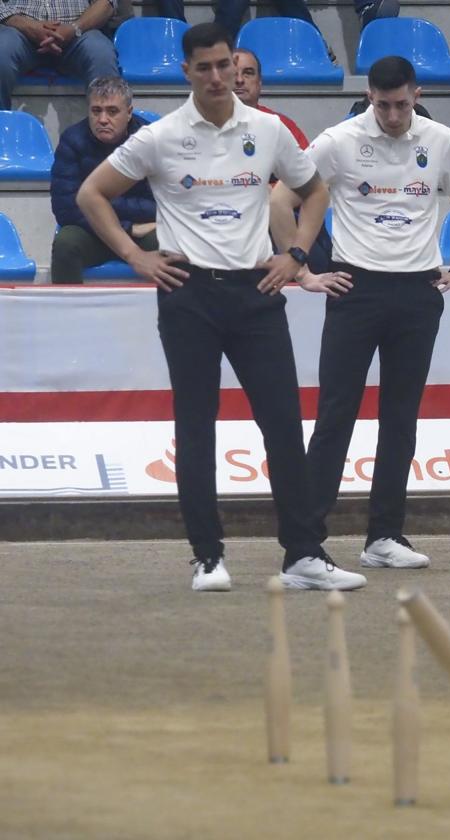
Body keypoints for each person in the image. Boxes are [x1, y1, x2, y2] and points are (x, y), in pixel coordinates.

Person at [76, 22, 365, 593]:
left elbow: (315, 192)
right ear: (186, 71)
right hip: (187, 295)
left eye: (224, 65)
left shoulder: (268, 129)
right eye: (203, 67)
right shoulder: (158, 136)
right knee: (196, 425)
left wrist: (297, 255)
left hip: (257, 293)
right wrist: (138, 257)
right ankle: (208, 556)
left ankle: (304, 554)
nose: (216, 76)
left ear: (237, 67)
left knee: (283, 424)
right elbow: (91, 194)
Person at [270, 56, 450, 571]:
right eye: (382, 104)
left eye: (401, 104)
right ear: (369, 96)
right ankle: (307, 543)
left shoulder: (439, 139)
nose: (391, 114)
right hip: (354, 288)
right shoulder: (338, 141)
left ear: (417, 93)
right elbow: (280, 200)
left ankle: (384, 535)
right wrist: (302, 271)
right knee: (335, 414)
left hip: (418, 291)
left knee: (401, 417)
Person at [232, 46, 331, 273]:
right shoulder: (203, 131)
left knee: (319, 261)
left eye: (248, 73)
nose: (239, 80)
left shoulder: (281, 126)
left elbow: (311, 182)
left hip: (282, 217)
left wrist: (274, 191)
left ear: (260, 83)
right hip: (230, 222)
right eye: (233, 74)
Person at [51, 76, 157, 284]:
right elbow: (66, 209)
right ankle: (65, 315)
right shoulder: (71, 141)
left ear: (129, 113)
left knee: (170, 243)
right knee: (66, 243)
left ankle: (169, 313)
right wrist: (127, 227)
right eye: (96, 111)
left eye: (112, 111)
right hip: (93, 232)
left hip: (142, 233)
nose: (102, 119)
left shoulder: (150, 140)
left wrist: (98, 204)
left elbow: (161, 203)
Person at [0, 0, 120, 111]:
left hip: (78, 32)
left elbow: (107, 4)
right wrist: (26, 25)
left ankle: (106, 129)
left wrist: (75, 28)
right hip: (19, 30)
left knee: (101, 55)